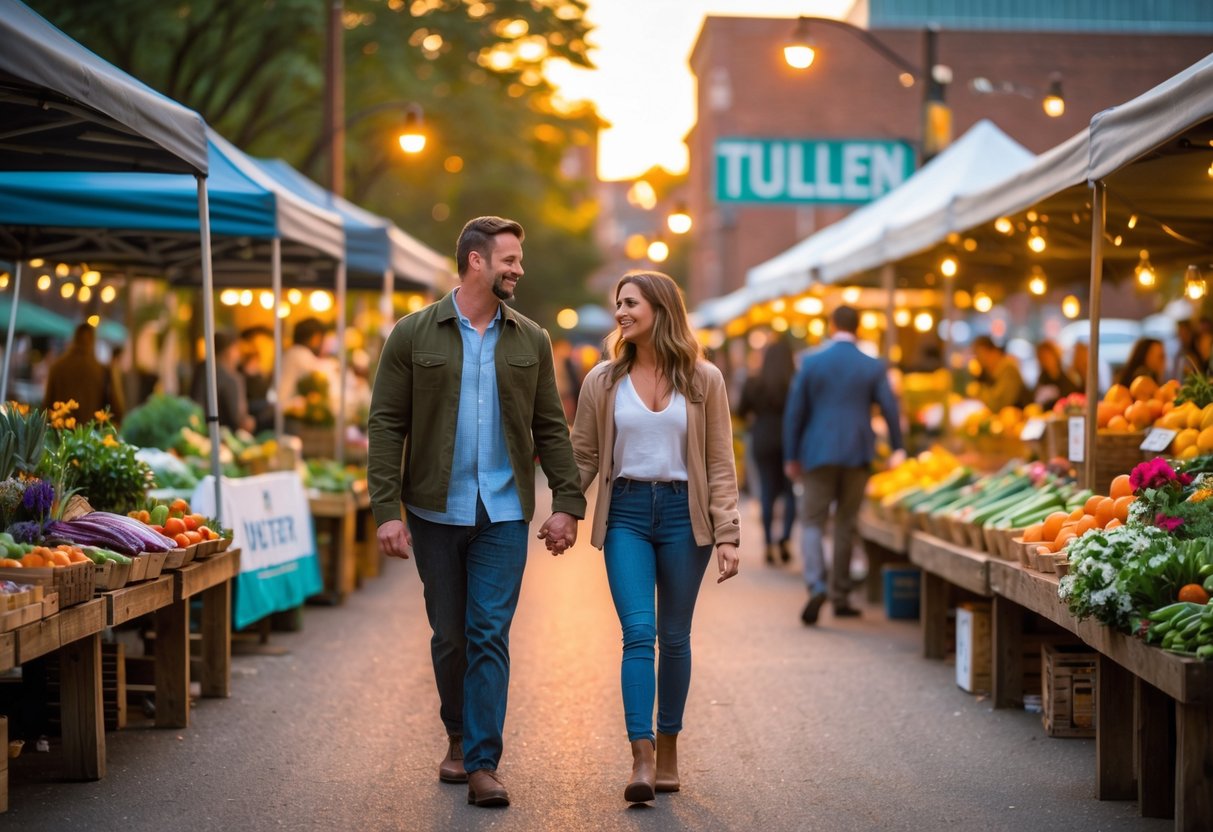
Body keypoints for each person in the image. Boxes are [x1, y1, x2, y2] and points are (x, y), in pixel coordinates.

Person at [367, 216, 585, 809]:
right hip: (436, 509)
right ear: (475, 262)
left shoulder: (532, 339)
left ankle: (484, 762)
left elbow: (550, 426)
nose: (519, 268)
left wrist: (567, 502)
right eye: (510, 259)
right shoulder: (412, 335)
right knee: (450, 635)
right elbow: (386, 424)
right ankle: (457, 736)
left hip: (506, 510)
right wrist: (386, 508)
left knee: (489, 631)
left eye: (519, 259)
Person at [571, 271, 739, 804]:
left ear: (660, 309)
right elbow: (583, 456)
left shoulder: (703, 378)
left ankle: (668, 745)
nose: (620, 312)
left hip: (683, 517)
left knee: (676, 636)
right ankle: (641, 755)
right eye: (618, 303)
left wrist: (728, 532)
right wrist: (563, 510)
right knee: (638, 632)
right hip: (625, 513)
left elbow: (719, 462)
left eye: (630, 303)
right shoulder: (602, 380)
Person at [784, 305, 904, 625]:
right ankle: (840, 596)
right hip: (857, 451)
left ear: (831, 325)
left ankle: (816, 585)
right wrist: (898, 448)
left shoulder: (811, 362)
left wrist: (791, 455)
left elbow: (794, 413)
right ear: (859, 327)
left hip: (817, 452)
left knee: (811, 520)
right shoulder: (872, 365)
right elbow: (890, 408)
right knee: (845, 523)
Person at [738, 337, 796, 564]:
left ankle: (769, 543)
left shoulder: (754, 382)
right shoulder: (794, 381)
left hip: (762, 437)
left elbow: (741, 411)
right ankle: (787, 538)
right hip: (789, 440)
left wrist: (755, 418)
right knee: (791, 492)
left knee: (767, 492)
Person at [43, 322, 124, 423]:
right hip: (90, 434)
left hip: (60, 431)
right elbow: (117, 409)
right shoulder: (102, 370)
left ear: (74, 339)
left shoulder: (57, 367)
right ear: (92, 341)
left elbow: (46, 406)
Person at [190, 330, 254, 433]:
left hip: (199, 430)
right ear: (228, 350)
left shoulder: (201, 369)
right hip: (224, 435)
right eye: (236, 349)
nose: (239, 354)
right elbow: (238, 419)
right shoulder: (231, 378)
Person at [279, 317, 328, 408]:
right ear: (315, 337)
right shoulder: (302, 355)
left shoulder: (290, 352)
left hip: (282, 406)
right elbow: (321, 377)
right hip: (288, 408)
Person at [972, 335, 1029, 411]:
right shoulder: (990, 373)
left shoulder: (1008, 369)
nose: (979, 359)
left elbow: (999, 404)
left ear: (993, 352)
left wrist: (979, 391)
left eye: (980, 354)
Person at [1033, 340, 1080, 410]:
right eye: (1042, 357)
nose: (1046, 360)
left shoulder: (1067, 375)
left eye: (1048, 356)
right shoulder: (1042, 378)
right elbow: (1037, 402)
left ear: (1055, 355)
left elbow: (1074, 398)